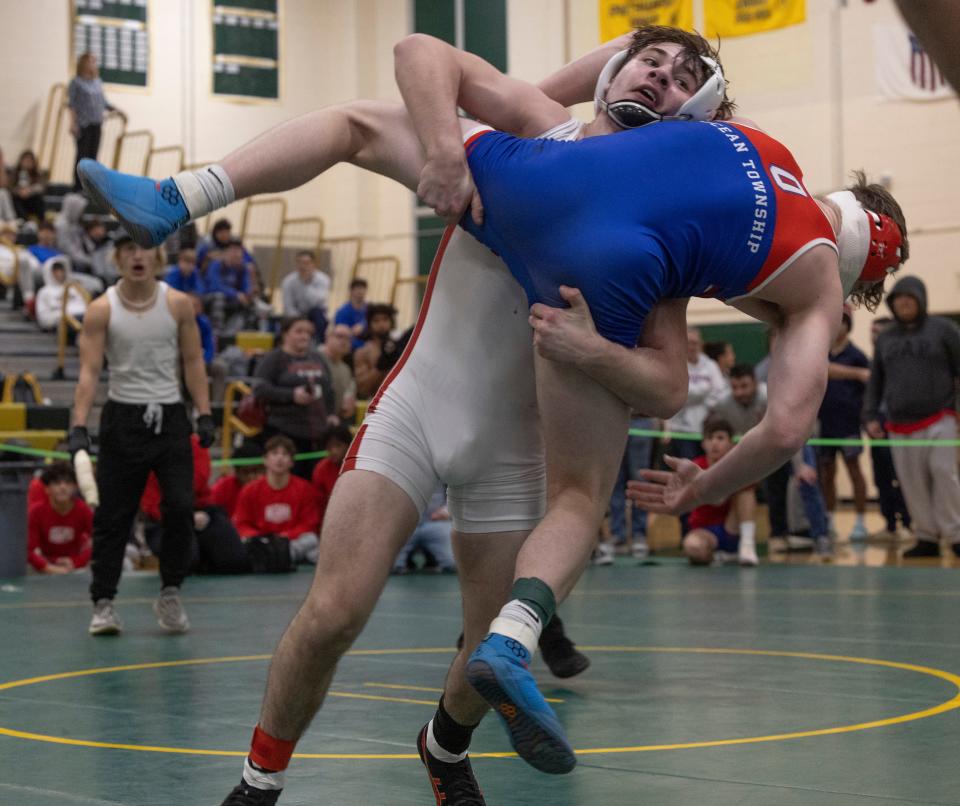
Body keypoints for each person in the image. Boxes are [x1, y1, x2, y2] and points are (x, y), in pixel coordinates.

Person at [75, 27, 904, 799]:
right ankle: (260, 778)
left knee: (485, 656)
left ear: (695, 116)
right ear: (614, 71)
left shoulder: (670, 237)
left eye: (683, 78)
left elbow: (665, 383)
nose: (660, 75)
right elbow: (422, 67)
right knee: (333, 613)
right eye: (649, 61)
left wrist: (597, 355)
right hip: (421, 405)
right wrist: (443, 143)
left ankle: (444, 746)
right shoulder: (538, 130)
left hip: (517, 446)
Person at [69, 231, 214, 636]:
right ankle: (103, 603)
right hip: (122, 419)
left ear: (157, 255)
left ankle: (169, 592)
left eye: (144, 248)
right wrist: (78, 426)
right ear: (117, 258)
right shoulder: (101, 310)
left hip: (170, 419)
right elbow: (89, 373)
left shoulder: (177, 304)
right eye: (129, 249)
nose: (137, 256)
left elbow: (193, 361)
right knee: (113, 517)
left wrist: (204, 414)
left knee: (181, 508)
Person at [863, 276, 960, 559]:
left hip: (940, 418)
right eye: (898, 298)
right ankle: (927, 536)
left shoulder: (944, 330)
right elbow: (875, 382)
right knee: (911, 481)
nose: (904, 303)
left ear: (921, 299)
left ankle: (955, 534)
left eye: (909, 297)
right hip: (898, 423)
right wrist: (870, 415)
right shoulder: (885, 339)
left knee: (944, 475)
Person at [141, 434, 250, 575]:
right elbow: (150, 503)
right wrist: (184, 517)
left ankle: (203, 553)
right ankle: (193, 554)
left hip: (202, 512)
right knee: (185, 562)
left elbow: (199, 478)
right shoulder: (146, 451)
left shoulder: (195, 444)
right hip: (164, 520)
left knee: (237, 562)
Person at [253, 317, 335, 479]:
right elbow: (260, 389)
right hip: (284, 432)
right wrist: (291, 395)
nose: (304, 336)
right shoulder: (274, 359)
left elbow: (329, 389)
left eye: (308, 332)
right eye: (298, 331)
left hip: (316, 433)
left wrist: (332, 414)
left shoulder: (318, 358)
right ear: (285, 334)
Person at [818, 305, 870, 541]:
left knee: (854, 470)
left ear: (848, 325)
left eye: (842, 321)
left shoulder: (858, 356)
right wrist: (855, 374)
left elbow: (868, 389)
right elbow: (821, 371)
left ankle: (860, 522)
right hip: (823, 425)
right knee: (827, 474)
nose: (837, 325)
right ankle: (828, 520)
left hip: (848, 425)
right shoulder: (819, 352)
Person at [232, 435, 320, 565]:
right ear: (265, 460)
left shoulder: (305, 489)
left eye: (285, 454)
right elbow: (242, 524)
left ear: (291, 462)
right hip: (261, 542)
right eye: (274, 453)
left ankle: (277, 556)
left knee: (312, 541)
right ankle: (280, 557)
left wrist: (284, 537)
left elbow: (309, 525)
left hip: (292, 542)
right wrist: (263, 539)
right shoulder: (249, 490)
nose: (280, 458)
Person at [680, 418, 754, 566]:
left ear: (731, 443)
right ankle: (720, 556)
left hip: (732, 527)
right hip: (704, 529)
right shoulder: (695, 467)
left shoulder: (738, 466)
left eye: (720, 438)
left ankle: (747, 545)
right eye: (709, 438)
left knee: (745, 491)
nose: (714, 443)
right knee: (692, 547)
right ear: (703, 443)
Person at [866, 316, 911, 537]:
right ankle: (890, 525)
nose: (875, 337)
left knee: (902, 475)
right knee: (881, 475)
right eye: (872, 332)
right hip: (877, 425)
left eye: (879, 332)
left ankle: (909, 524)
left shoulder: (902, 362)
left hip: (900, 424)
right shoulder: (871, 362)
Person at [68, 53, 126, 191]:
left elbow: (103, 102)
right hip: (83, 124)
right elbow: (72, 105)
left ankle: (90, 186)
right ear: (83, 63)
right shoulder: (76, 82)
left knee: (93, 157)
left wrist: (117, 110)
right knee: (82, 156)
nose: (93, 64)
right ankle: (77, 186)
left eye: (94, 61)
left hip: (97, 123)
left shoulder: (97, 81)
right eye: (90, 61)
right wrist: (73, 123)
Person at [27, 462, 93, 574]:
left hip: (76, 567)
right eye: (57, 483)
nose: (63, 487)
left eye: (68, 483)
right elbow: (29, 550)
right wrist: (48, 567)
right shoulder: (36, 512)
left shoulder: (83, 510)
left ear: (74, 487)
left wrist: (76, 562)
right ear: (47, 489)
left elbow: (99, 540)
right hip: (44, 566)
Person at [392, 484, 457, 574]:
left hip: (435, 523)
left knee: (454, 563)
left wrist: (447, 510)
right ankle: (408, 556)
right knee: (390, 566)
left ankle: (431, 555)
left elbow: (461, 493)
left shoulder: (445, 471)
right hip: (403, 524)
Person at [204, 238, 255, 334]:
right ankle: (217, 334)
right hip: (210, 298)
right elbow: (214, 286)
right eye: (233, 251)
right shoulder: (216, 265)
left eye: (239, 251)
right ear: (226, 252)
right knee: (219, 297)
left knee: (253, 304)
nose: (236, 254)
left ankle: (240, 332)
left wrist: (248, 293)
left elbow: (245, 289)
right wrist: (235, 294)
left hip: (232, 299)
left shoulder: (242, 268)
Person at [352, 302, 400, 398]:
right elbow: (362, 389)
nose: (381, 324)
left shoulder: (400, 347)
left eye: (385, 319)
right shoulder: (362, 352)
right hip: (375, 405)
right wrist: (379, 368)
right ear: (369, 325)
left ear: (391, 322)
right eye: (376, 320)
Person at [281, 250, 330, 340]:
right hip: (295, 315)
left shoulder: (323, 279)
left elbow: (318, 302)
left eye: (306, 263)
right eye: (300, 263)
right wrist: (301, 321)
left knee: (319, 315)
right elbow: (288, 306)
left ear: (313, 264)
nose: (302, 266)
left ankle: (318, 344)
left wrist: (306, 283)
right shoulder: (288, 281)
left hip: (315, 314)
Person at [310, 425, 353, 527]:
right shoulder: (321, 469)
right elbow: (319, 504)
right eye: (329, 447)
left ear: (348, 445)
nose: (334, 451)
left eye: (338, 445)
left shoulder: (358, 466)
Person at [211, 442, 265, 519]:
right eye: (245, 472)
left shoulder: (272, 488)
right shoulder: (223, 487)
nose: (251, 476)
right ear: (236, 472)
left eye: (256, 470)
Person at [35, 257, 87, 332]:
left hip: (82, 319)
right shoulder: (44, 292)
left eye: (61, 270)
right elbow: (43, 319)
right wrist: (62, 317)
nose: (59, 273)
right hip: (61, 325)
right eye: (55, 271)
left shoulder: (75, 289)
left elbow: (84, 306)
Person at [321, 323, 357, 422]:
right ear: (327, 337)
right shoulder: (314, 359)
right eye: (340, 336)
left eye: (348, 339)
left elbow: (348, 398)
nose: (344, 341)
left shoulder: (346, 369)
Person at [10, 150, 47, 221]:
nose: (27, 162)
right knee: (14, 199)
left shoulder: (38, 174)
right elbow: (10, 187)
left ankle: (42, 222)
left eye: (30, 160)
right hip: (19, 200)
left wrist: (30, 190)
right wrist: (19, 191)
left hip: (32, 200)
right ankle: (24, 221)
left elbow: (42, 187)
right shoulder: (14, 173)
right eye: (25, 160)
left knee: (39, 199)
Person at [334, 278, 368, 350]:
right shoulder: (343, 311)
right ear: (351, 291)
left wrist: (362, 325)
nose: (361, 292)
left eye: (363, 289)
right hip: (350, 345)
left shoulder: (369, 310)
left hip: (367, 344)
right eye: (358, 289)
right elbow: (339, 332)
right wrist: (352, 331)